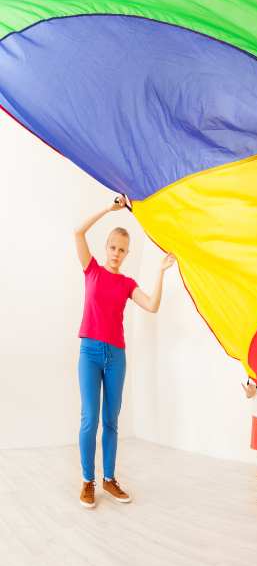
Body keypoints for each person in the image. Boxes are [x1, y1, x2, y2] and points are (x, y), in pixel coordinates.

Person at [74, 195, 175, 508]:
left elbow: (152, 305)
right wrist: (108, 208)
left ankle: (109, 479)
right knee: (90, 418)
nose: (116, 254)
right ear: (106, 248)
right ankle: (88, 480)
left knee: (112, 421)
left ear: (127, 253)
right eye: (113, 247)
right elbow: (78, 233)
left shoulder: (126, 283)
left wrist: (160, 270)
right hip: (89, 353)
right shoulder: (92, 270)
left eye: (122, 250)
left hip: (116, 356)